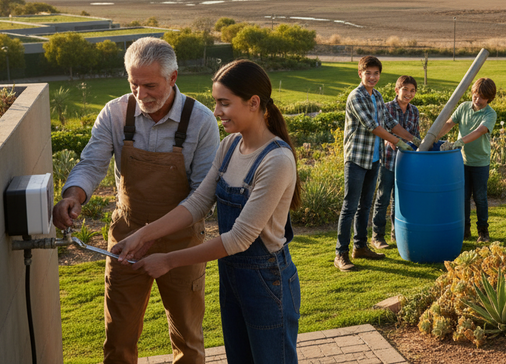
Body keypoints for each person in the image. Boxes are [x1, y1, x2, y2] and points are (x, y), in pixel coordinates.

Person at [112, 59, 301, 363]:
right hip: (232, 277)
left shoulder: (276, 160)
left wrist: (168, 261)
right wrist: (143, 235)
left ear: (253, 103)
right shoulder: (229, 147)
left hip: (268, 281)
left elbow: (239, 239)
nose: (216, 111)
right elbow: (198, 202)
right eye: (215, 102)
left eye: (224, 103)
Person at [53, 37, 220, 364]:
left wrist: (153, 236)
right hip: (126, 238)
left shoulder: (201, 122)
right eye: (134, 84)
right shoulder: (115, 113)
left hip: (182, 243)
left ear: (173, 78)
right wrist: (73, 195)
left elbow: (202, 198)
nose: (141, 95)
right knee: (119, 338)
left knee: (188, 338)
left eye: (150, 86)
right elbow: (92, 163)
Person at [335, 56, 419, 271]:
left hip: (374, 159)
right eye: (368, 73)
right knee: (350, 207)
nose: (372, 77)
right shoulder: (356, 96)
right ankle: (341, 254)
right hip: (356, 159)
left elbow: (390, 123)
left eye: (376, 73)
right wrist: (398, 141)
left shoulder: (378, 96)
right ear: (360, 74)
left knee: (365, 206)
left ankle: (360, 247)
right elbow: (373, 126)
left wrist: (413, 139)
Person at [437, 78, 498, 243]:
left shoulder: (490, 114)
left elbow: (480, 131)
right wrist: (434, 137)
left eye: (482, 98)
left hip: (480, 163)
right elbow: (449, 123)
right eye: (475, 96)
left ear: (489, 98)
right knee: (462, 197)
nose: (477, 100)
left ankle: (483, 231)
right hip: (461, 161)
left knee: (480, 198)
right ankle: (464, 230)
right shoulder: (464, 107)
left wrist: (459, 142)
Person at [370, 75, 420, 249]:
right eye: (405, 89)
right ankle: (377, 236)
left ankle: (396, 233)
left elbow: (415, 137)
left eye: (412, 90)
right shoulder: (386, 109)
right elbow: (380, 131)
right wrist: (389, 140)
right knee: (383, 198)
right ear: (397, 90)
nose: (408, 93)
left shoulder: (414, 111)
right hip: (388, 161)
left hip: (406, 164)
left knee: (399, 199)